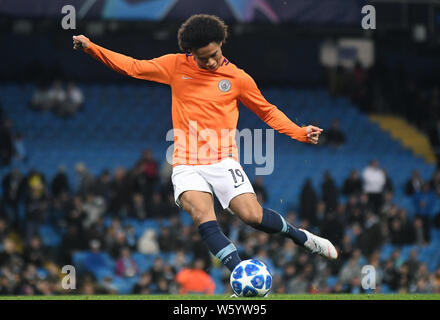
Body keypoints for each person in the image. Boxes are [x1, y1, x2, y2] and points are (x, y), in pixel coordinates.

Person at [73, 14, 337, 277]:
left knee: (252, 216)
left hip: (223, 160)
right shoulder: (175, 66)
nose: (210, 61)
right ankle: (241, 276)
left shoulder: (238, 78)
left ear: (222, 42)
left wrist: (300, 132)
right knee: (202, 216)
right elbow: (132, 66)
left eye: (213, 54)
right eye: (203, 57)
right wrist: (91, 48)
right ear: (190, 53)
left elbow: (267, 111)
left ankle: (300, 237)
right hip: (186, 162)